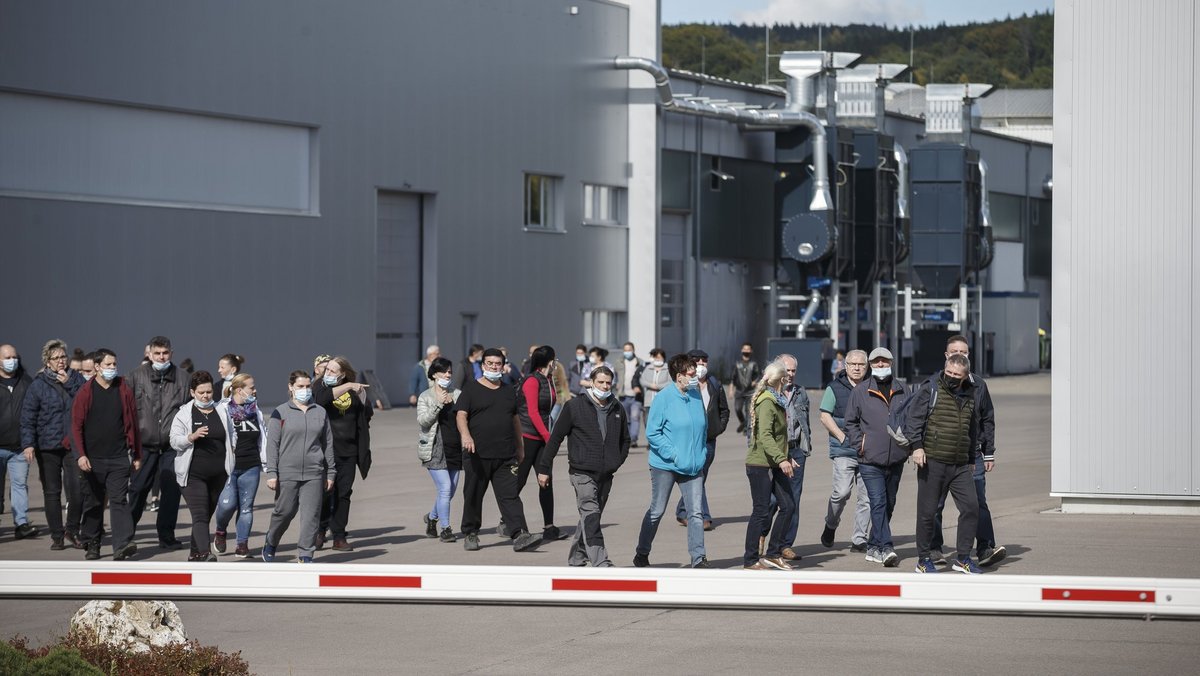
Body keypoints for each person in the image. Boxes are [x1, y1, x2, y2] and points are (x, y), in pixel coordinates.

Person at [539, 365, 629, 567]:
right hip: (582, 472)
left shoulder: (617, 407)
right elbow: (555, 439)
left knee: (591, 517)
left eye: (608, 383)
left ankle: (577, 557)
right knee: (591, 514)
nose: (605, 386)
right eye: (600, 382)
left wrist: (616, 461)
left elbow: (625, 440)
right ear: (591, 382)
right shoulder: (574, 406)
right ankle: (601, 561)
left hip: (606, 473)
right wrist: (544, 468)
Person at [454, 348, 541, 552]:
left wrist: (520, 447)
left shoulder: (509, 390)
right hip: (477, 454)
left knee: (510, 495)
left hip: (506, 454)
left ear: (503, 366)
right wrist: (465, 436)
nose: (494, 367)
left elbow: (515, 419)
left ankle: (520, 534)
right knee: (474, 495)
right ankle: (471, 533)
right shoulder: (471, 389)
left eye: (498, 364)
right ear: (483, 365)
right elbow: (460, 415)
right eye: (490, 363)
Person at [928, 335, 1004, 567]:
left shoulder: (979, 385)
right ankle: (934, 549)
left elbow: (987, 419)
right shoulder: (934, 384)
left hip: (973, 454)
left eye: (964, 351)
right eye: (954, 351)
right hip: (940, 453)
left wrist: (988, 451)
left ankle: (984, 548)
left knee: (977, 502)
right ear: (946, 355)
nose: (959, 354)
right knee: (935, 504)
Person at [904, 353, 982, 575]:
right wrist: (917, 447)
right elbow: (914, 420)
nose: (951, 377)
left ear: (965, 376)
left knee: (971, 507)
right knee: (927, 513)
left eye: (957, 375)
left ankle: (963, 558)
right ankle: (923, 559)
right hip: (933, 461)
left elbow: (971, 428)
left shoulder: (970, 393)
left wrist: (970, 458)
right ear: (944, 368)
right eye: (949, 373)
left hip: (959, 465)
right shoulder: (930, 388)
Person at [633, 353, 709, 568]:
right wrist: (673, 454)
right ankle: (642, 552)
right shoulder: (664, 398)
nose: (694, 375)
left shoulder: (695, 395)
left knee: (695, 513)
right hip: (665, 465)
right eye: (690, 373)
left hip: (694, 466)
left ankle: (698, 558)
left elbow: (703, 427)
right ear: (678, 376)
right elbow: (652, 433)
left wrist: (701, 452)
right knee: (657, 511)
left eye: (695, 372)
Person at [70, 348, 142, 561]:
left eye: (114, 364)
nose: (112, 368)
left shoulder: (123, 389)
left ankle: (122, 545)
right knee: (93, 502)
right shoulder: (85, 392)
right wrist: (80, 455)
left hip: (119, 457)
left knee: (119, 500)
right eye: (108, 365)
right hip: (93, 459)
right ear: (97, 367)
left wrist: (137, 454)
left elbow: (133, 424)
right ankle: (93, 543)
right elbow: (75, 426)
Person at [844, 347, 908, 568]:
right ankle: (886, 547)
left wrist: (908, 443)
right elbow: (850, 422)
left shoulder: (903, 389)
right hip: (870, 460)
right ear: (871, 365)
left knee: (889, 503)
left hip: (897, 458)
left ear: (891, 363)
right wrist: (860, 443)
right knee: (878, 502)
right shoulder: (861, 391)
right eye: (876, 362)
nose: (881, 365)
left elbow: (912, 418)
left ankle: (873, 545)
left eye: (885, 362)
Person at [262, 371, 334, 563]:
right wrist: (272, 472)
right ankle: (271, 541)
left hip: (314, 472)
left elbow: (327, 444)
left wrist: (331, 473)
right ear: (291, 387)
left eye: (308, 386)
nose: (305, 390)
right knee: (284, 512)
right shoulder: (280, 412)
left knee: (311, 516)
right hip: (287, 472)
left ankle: (305, 553)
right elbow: (272, 444)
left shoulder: (320, 412)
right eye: (301, 386)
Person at [20, 339, 85, 549]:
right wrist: (28, 444)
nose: (60, 361)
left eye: (63, 357)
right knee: (52, 492)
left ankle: (72, 530)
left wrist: (69, 384)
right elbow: (28, 416)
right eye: (55, 358)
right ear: (47, 362)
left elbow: (85, 403)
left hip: (71, 445)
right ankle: (57, 535)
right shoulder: (38, 385)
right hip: (47, 446)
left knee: (76, 491)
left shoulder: (76, 379)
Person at [128, 335, 190, 550]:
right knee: (137, 489)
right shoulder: (136, 376)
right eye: (157, 353)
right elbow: (127, 411)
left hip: (172, 446)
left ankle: (166, 536)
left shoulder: (183, 378)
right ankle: (126, 534)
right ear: (149, 354)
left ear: (171, 353)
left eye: (165, 353)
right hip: (144, 445)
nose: (161, 357)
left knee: (171, 492)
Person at [169, 371, 230, 562]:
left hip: (219, 475)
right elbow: (174, 441)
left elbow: (231, 436)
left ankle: (194, 553)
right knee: (200, 514)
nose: (206, 396)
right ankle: (205, 553)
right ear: (193, 392)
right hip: (193, 474)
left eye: (209, 392)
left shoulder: (221, 410)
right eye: (201, 392)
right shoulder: (184, 414)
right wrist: (191, 437)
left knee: (206, 514)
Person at [743, 362, 798, 570]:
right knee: (761, 511)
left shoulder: (777, 399)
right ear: (781, 380)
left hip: (774, 462)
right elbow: (765, 435)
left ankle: (774, 553)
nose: (789, 379)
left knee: (788, 506)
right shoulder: (767, 401)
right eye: (787, 376)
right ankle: (750, 559)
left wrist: (787, 456)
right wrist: (781, 459)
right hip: (760, 464)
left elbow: (779, 436)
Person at [314, 356, 372, 552]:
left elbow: (366, 415)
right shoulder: (318, 387)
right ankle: (320, 531)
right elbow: (321, 400)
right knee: (323, 494)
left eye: (332, 371)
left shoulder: (354, 391)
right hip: (325, 452)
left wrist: (362, 397)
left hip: (348, 452)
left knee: (343, 494)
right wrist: (349, 387)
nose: (327, 373)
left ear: (343, 374)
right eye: (327, 370)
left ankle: (339, 535)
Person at [818, 349, 871, 553]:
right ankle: (831, 524)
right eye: (853, 364)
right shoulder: (834, 388)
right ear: (845, 366)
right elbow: (824, 416)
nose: (857, 368)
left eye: (861, 364)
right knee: (841, 493)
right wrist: (842, 436)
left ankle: (859, 539)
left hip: (868, 451)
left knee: (866, 497)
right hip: (843, 450)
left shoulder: (872, 386)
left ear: (867, 367)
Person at [673, 349, 728, 531]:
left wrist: (719, 427)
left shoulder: (714, 383)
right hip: (689, 438)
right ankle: (703, 516)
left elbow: (723, 409)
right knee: (698, 475)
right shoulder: (685, 384)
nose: (701, 364)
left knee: (699, 477)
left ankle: (682, 510)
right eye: (697, 361)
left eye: (705, 361)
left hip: (709, 438)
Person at [212, 373, 266, 559]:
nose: (255, 390)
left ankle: (242, 544)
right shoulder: (222, 409)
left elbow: (263, 438)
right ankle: (220, 531)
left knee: (246, 507)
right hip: (229, 468)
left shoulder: (255, 410)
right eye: (251, 387)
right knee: (227, 505)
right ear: (239, 389)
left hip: (251, 466)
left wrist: (266, 464)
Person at [514, 346, 563, 541]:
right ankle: (508, 520)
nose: (556, 363)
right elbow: (533, 412)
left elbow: (548, 410)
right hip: (528, 437)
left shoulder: (548, 379)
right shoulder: (532, 380)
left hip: (542, 437)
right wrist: (548, 437)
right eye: (554, 360)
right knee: (520, 480)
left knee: (546, 480)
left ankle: (549, 526)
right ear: (550, 361)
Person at [771, 354, 813, 561]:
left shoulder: (800, 393)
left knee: (793, 499)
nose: (790, 375)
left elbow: (805, 422)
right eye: (786, 370)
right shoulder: (766, 393)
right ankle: (763, 536)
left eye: (793, 370)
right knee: (770, 500)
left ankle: (785, 544)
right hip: (773, 452)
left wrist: (804, 448)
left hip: (796, 450)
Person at [416, 357, 461, 542]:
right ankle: (446, 529)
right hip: (435, 448)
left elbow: (466, 417)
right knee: (445, 488)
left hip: (455, 447)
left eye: (450, 372)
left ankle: (432, 517)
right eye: (444, 371)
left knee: (451, 491)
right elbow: (423, 421)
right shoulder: (426, 396)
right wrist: (438, 403)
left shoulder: (457, 393)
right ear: (434, 374)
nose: (447, 375)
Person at [1, 344, 38, 540]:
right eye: (7, 357)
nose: (11, 360)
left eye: (14, 357)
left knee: (19, 485)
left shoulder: (26, 382)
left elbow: (32, 413)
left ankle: (21, 524)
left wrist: (29, 442)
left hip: (19, 448)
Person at [612, 342, 643, 449]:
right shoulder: (618, 362)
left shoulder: (640, 362)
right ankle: (627, 438)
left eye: (629, 350)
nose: (627, 352)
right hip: (623, 394)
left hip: (636, 396)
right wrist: (615, 384)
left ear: (633, 350)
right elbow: (613, 375)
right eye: (625, 350)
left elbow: (643, 377)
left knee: (635, 417)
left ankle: (633, 439)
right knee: (626, 418)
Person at [733, 342, 762, 434]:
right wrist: (731, 389)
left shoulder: (754, 364)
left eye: (748, 349)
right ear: (742, 350)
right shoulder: (737, 364)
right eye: (744, 349)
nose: (746, 351)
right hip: (739, 390)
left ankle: (747, 428)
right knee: (738, 409)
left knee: (748, 410)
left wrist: (755, 382)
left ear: (751, 351)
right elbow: (733, 377)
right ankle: (743, 423)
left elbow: (758, 375)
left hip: (750, 391)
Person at [638, 348, 670, 419]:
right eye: (655, 357)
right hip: (649, 401)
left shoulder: (668, 369)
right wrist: (650, 385)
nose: (657, 359)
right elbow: (642, 380)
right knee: (647, 420)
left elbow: (670, 382)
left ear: (663, 358)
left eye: (659, 357)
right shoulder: (648, 368)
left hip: (663, 401)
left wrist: (658, 386)